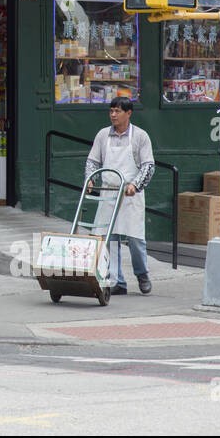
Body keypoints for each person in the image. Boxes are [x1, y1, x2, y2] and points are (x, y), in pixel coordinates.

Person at [85, 98, 155, 296]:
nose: (113, 115)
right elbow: (92, 160)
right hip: (108, 192)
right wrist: (90, 180)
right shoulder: (102, 135)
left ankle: (142, 275)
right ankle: (116, 280)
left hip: (130, 194)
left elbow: (148, 165)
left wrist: (135, 184)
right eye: (111, 111)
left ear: (129, 113)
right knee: (109, 238)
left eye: (117, 111)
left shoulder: (140, 137)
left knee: (135, 239)